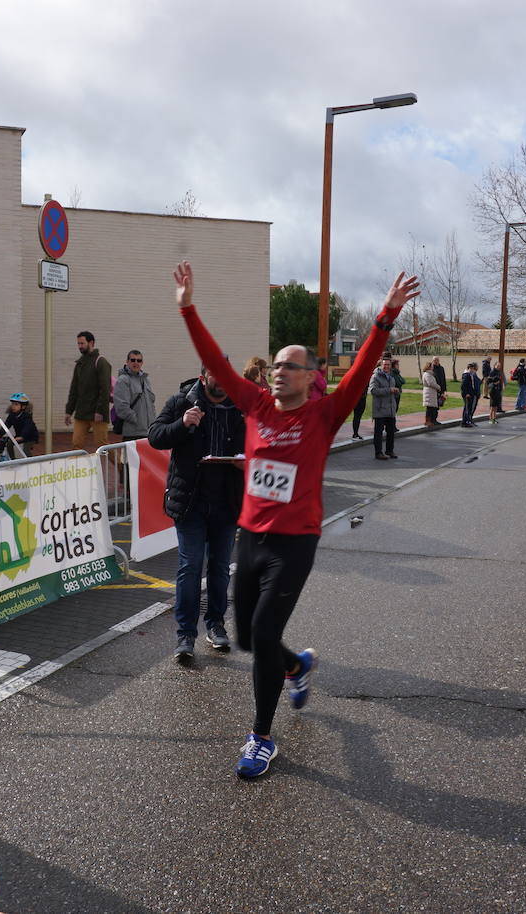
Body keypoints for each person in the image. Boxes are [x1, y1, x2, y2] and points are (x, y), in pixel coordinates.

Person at [173, 260, 420, 778]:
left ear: (312, 377)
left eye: (291, 365)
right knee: (248, 639)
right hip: (250, 539)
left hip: (294, 544)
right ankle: (295, 665)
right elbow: (217, 364)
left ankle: (261, 737)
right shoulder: (257, 406)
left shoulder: (324, 414)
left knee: (261, 634)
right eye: (276, 365)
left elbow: (364, 365)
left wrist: (385, 317)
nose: (278, 371)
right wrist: (188, 309)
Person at [148, 363, 247, 663]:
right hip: (190, 501)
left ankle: (215, 625)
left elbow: (257, 444)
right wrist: (181, 423)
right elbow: (155, 436)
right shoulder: (181, 401)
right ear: (205, 377)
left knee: (219, 569)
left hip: (226, 502)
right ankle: (185, 635)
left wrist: (247, 460)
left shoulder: (241, 407)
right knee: (190, 567)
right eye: (218, 375)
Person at [64, 330, 112, 452]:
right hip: (81, 412)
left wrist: (100, 411)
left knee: (102, 445)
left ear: (91, 343)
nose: (80, 346)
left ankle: (121, 467)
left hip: (97, 413)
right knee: (76, 444)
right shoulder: (79, 363)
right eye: (78, 344)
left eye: (82, 343)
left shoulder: (101, 362)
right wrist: (69, 411)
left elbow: (105, 389)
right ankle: (78, 470)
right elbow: (74, 389)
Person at [113, 349, 156, 442]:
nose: (136, 363)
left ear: (142, 363)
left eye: (139, 360)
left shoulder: (145, 380)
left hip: (148, 432)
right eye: (133, 360)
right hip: (132, 434)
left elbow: (151, 403)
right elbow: (122, 407)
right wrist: (137, 421)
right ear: (127, 362)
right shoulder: (123, 380)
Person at [369, 357, 400, 459]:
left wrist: (396, 391)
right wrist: (389, 390)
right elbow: (373, 391)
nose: (386, 366)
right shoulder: (375, 377)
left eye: (388, 365)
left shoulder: (391, 377)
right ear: (380, 365)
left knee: (391, 432)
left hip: (390, 409)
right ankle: (378, 453)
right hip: (380, 409)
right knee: (378, 432)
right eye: (384, 364)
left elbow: (391, 391)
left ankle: (389, 451)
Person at [0, 393, 39, 459]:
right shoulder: (12, 415)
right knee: (9, 444)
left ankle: (30, 463)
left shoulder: (27, 416)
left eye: (16, 404)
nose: (13, 406)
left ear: (23, 406)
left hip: (30, 436)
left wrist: (22, 436)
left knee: (26, 450)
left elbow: (27, 427)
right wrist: (0, 434)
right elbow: (6, 425)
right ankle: (13, 460)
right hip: (19, 435)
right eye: (12, 404)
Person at [460, 362, 481, 427]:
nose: (472, 370)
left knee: (469, 408)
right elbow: (463, 386)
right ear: (468, 368)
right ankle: (465, 422)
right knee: (467, 408)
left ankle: (468, 421)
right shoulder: (466, 375)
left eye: (473, 368)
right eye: (471, 368)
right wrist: (466, 393)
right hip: (468, 394)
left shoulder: (471, 374)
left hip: (472, 394)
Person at [421, 361, 440, 426]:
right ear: (429, 367)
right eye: (432, 366)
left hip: (431, 392)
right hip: (429, 392)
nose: (433, 367)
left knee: (433, 408)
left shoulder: (430, 374)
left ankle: (433, 420)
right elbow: (431, 383)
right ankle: (428, 421)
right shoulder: (427, 374)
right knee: (429, 408)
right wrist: (438, 387)